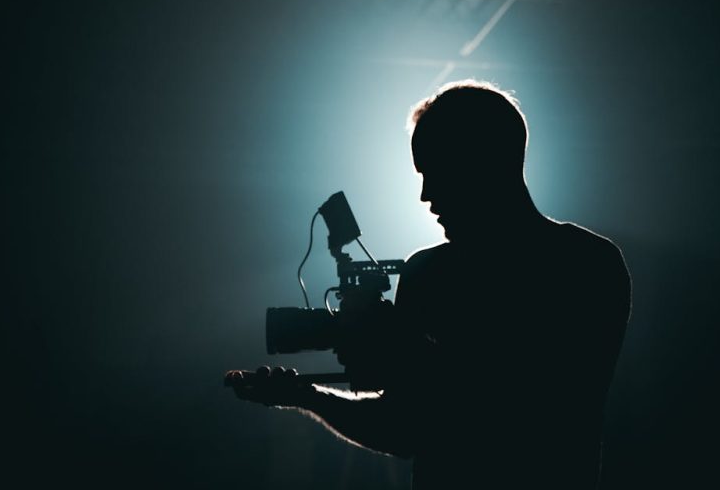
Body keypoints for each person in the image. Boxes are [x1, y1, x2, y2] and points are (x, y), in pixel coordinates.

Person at [231, 80, 631, 489]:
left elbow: (536, 404)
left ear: (486, 161)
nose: (425, 194)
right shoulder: (431, 272)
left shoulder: (586, 266)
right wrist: (307, 396)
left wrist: (399, 345)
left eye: (436, 172)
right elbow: (403, 426)